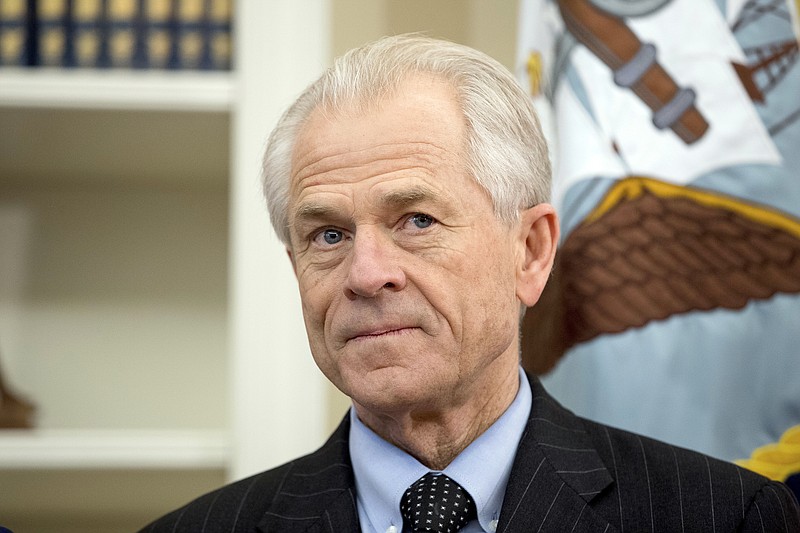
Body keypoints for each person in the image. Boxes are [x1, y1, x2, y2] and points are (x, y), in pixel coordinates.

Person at [140, 34, 800, 533]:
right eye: (329, 235)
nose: (367, 274)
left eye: (417, 220)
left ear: (531, 250)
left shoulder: (725, 516)